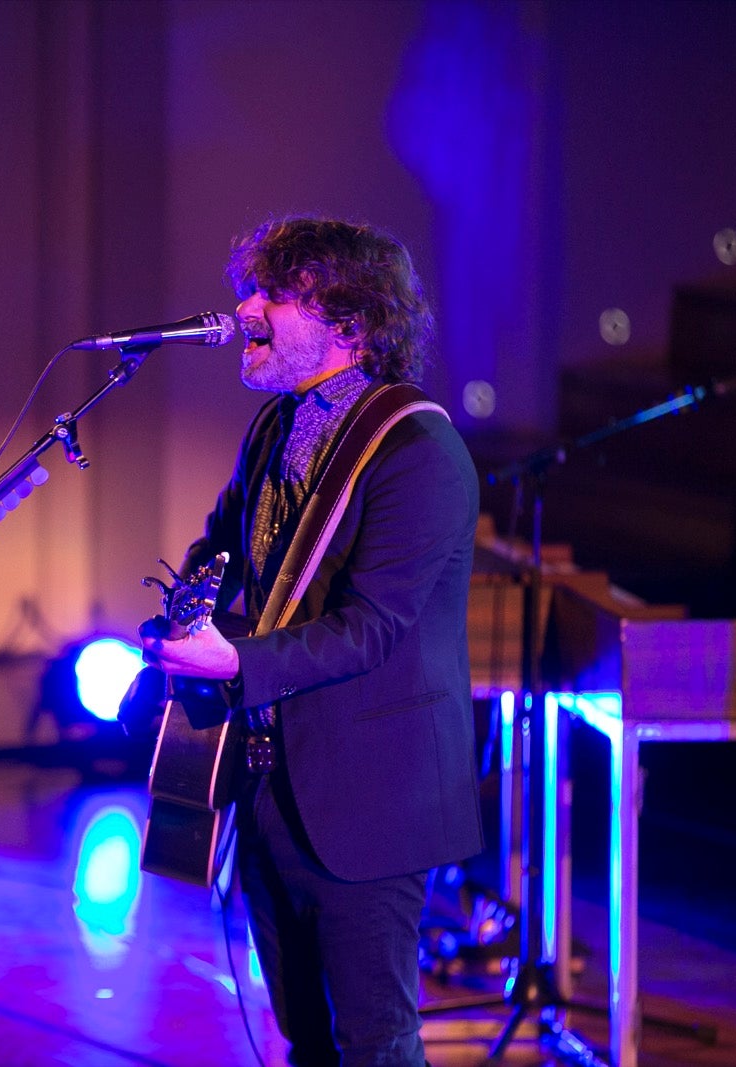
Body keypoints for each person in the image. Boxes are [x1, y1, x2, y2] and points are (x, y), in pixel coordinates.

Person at [140, 216, 483, 1066]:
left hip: (373, 797)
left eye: (275, 295)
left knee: (374, 1042)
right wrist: (184, 615)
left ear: (350, 325)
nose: (245, 308)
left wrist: (238, 660)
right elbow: (220, 549)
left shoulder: (419, 449)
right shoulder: (273, 428)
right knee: (305, 1038)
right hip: (267, 786)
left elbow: (371, 627)